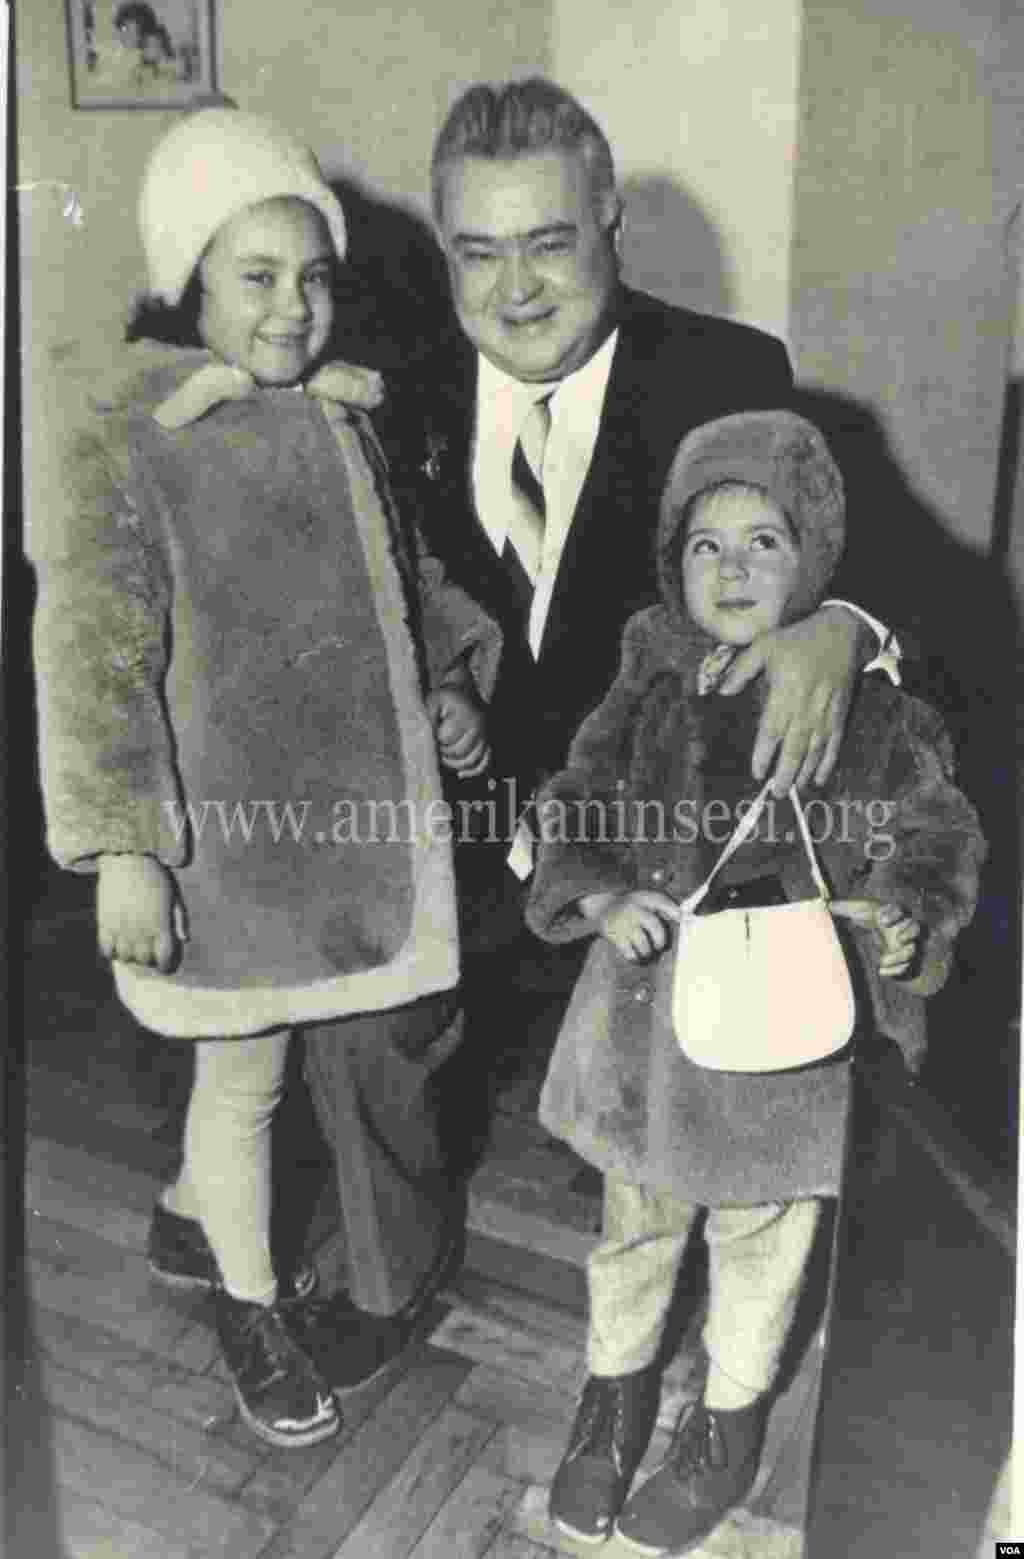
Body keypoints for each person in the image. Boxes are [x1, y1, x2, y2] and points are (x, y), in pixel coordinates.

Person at [29, 110, 499, 1449]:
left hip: (341, 839)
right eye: (257, 276)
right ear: (188, 278)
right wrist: (123, 837)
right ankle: (249, 1302)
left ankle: (190, 1214)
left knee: (282, 1063)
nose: (296, 308)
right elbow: (93, 648)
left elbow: (406, 583)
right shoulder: (136, 426)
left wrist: (452, 679)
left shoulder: (347, 417)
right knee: (245, 1083)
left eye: (314, 276)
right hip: (220, 844)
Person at [524, 409, 985, 1551]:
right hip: (645, 1032)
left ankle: (726, 1415)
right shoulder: (649, 675)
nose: (729, 567)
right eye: (703, 543)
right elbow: (574, 793)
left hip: (786, 1035)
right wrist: (594, 893)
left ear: (816, 561)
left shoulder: (866, 701)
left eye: (763, 541)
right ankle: (616, 1389)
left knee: (762, 1236)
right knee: (635, 1223)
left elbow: (931, 822)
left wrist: (905, 909)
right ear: (671, 565)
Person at [405, 78, 903, 977]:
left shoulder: (726, 374)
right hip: (450, 857)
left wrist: (839, 629)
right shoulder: (397, 385)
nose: (515, 291)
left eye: (548, 245)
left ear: (611, 226)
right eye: (478, 255)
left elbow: (894, 569)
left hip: (658, 873)